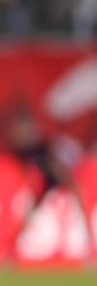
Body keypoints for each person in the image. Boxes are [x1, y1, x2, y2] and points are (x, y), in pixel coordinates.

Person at [8, 112, 94, 267]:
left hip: (60, 172)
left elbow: (59, 168)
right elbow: (29, 172)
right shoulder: (20, 150)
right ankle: (10, 253)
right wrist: (37, 189)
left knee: (81, 204)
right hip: (47, 178)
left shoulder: (44, 144)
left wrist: (67, 183)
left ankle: (89, 252)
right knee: (29, 213)